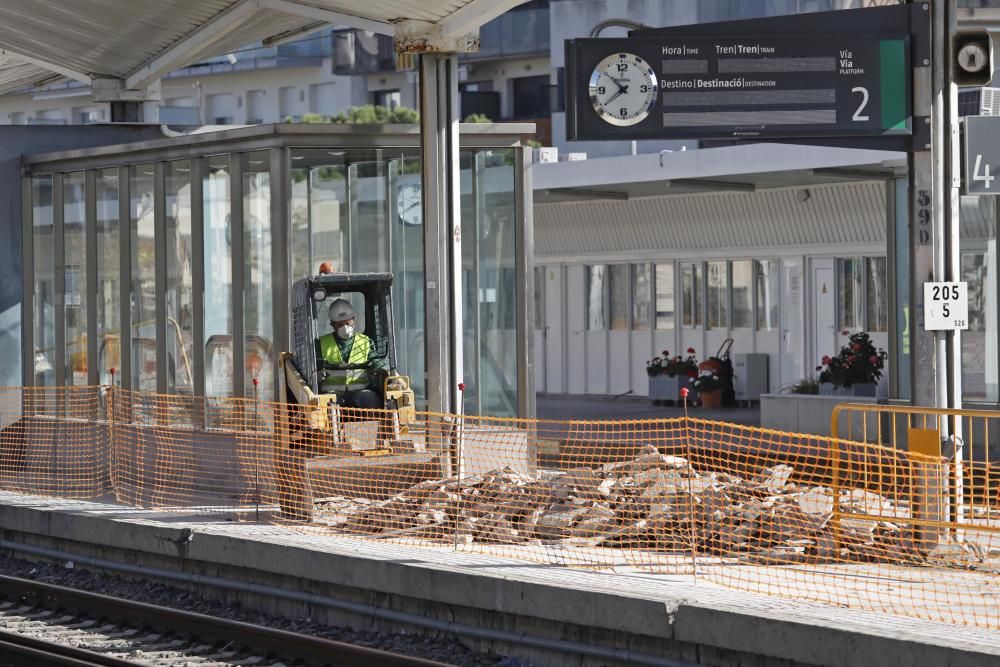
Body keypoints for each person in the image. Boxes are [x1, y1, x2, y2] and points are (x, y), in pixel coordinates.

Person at [318, 298, 383, 409]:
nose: (345, 328)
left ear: (354, 320)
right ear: (332, 324)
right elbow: (313, 367)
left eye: (348, 323)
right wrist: (317, 373)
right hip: (332, 393)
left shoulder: (365, 342)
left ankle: (373, 426)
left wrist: (379, 370)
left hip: (360, 392)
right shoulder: (321, 343)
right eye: (340, 325)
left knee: (371, 399)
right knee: (328, 406)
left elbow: (376, 362)